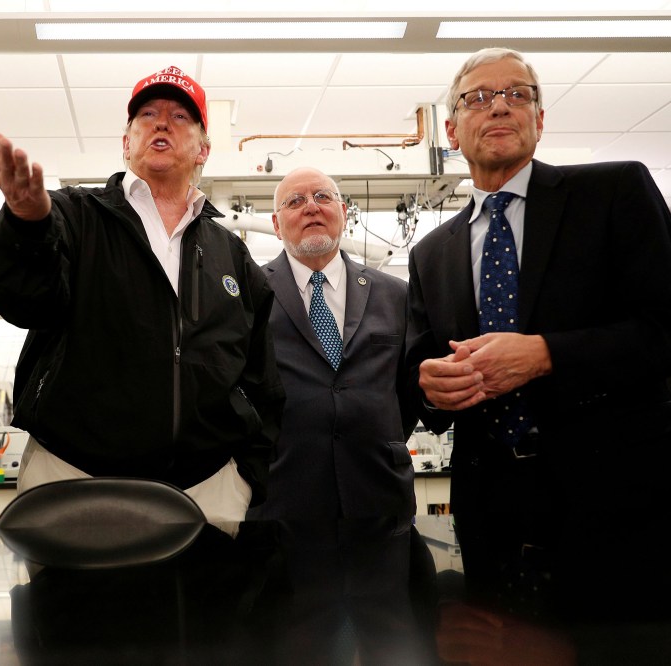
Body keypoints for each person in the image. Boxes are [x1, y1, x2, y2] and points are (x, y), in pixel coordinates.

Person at [406, 48, 671, 613]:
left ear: (540, 120)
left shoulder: (615, 194)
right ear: (451, 129)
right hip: (489, 516)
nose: (499, 106)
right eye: (478, 98)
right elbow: (419, 370)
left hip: (614, 510)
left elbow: (662, 329)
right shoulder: (432, 253)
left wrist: (548, 354)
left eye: (517, 94)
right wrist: (429, 385)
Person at [0, 65, 285, 524]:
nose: (161, 123)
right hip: (74, 477)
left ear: (204, 149)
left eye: (180, 117)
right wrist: (26, 222)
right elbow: (20, 299)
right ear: (126, 142)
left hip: (208, 490)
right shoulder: (72, 215)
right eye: (148, 114)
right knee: (67, 600)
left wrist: (246, 476)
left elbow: (262, 381)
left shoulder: (233, 256)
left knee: (210, 598)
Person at [247, 167, 417, 522]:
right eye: (295, 201)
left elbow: (408, 391)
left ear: (342, 213)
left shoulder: (396, 294)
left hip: (380, 498)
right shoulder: (250, 295)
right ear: (276, 225)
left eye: (323, 197)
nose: (311, 207)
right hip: (284, 501)